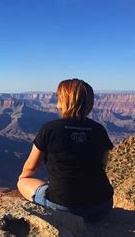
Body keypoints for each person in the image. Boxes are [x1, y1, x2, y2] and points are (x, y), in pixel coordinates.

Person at [16, 78, 114, 223]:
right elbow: (102, 166)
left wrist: (26, 180)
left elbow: (30, 168)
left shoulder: (49, 129)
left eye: (58, 97)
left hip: (65, 208)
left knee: (22, 182)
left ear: (63, 101)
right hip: (102, 207)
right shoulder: (99, 130)